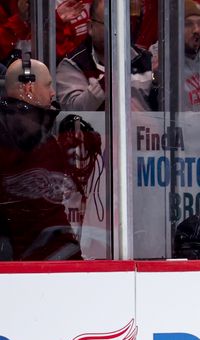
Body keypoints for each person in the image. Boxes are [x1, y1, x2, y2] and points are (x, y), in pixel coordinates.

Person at [0, 57, 82, 260]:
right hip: (46, 254)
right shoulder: (36, 137)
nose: (53, 93)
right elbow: (43, 211)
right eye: (48, 85)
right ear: (28, 88)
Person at [56, 0, 155, 111]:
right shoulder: (72, 65)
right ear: (90, 27)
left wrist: (158, 77)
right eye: (110, 23)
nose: (118, 30)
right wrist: (108, 81)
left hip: (144, 127)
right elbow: (74, 110)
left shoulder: (145, 60)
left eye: (123, 22)